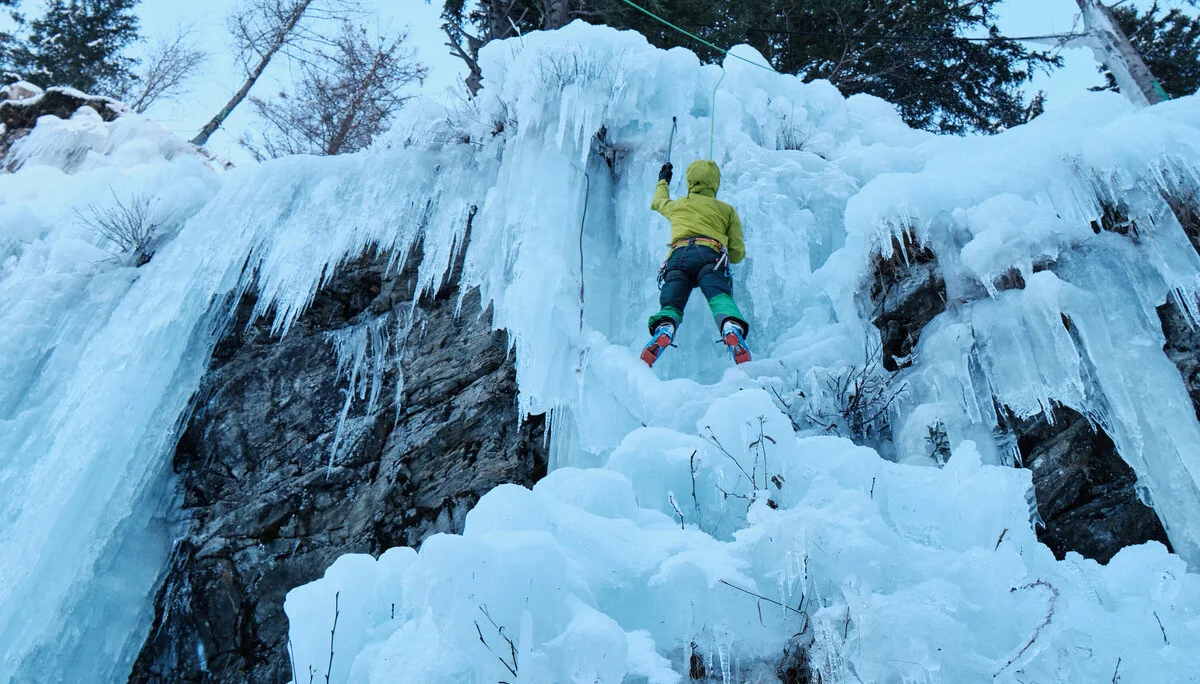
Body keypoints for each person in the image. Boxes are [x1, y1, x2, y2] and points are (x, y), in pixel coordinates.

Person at [641, 159, 751, 367]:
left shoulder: (679, 205)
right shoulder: (726, 210)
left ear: (690, 182)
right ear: (715, 182)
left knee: (672, 301)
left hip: (678, 257)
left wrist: (663, 180)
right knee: (719, 295)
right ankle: (730, 326)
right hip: (709, 256)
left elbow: (658, 202)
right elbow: (737, 253)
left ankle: (665, 327)